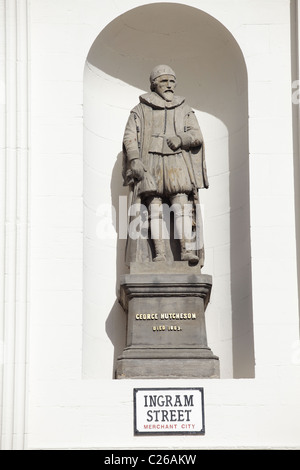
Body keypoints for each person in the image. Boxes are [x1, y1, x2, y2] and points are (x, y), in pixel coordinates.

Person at [122, 65, 208, 265]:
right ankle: (160, 253)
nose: (169, 85)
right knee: (154, 206)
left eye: (172, 81)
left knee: (181, 204)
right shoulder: (140, 109)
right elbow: (129, 136)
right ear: (154, 84)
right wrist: (134, 158)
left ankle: (187, 249)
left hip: (176, 160)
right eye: (163, 81)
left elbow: (197, 136)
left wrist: (182, 138)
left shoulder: (184, 108)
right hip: (150, 160)